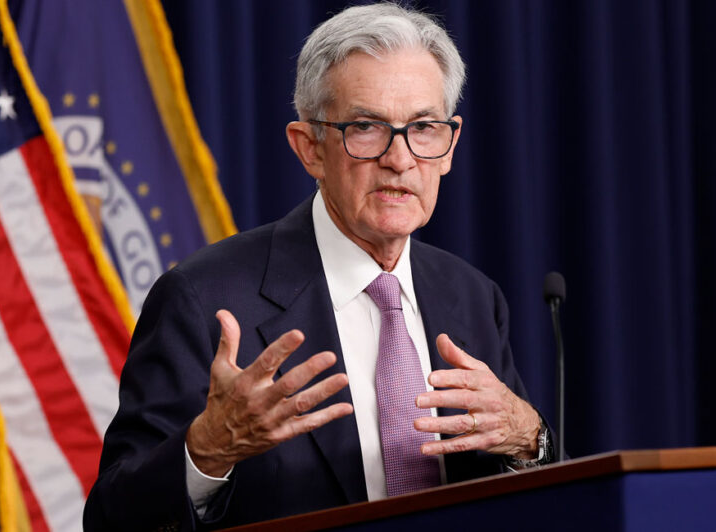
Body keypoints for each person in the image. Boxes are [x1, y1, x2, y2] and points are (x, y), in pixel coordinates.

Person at [84, 3, 555, 529]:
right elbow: (110, 520)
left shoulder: (472, 296)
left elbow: (525, 493)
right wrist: (208, 451)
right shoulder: (204, 298)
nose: (400, 159)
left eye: (423, 127)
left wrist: (529, 437)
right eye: (367, 128)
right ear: (310, 148)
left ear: (449, 146)